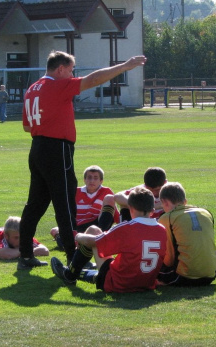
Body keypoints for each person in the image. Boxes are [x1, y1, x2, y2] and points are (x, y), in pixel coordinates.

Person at [18, 51, 146, 270]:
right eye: (70, 70)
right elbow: (93, 80)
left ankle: (25, 255)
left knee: (35, 204)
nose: (72, 74)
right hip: (57, 149)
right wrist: (124, 66)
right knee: (65, 204)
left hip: (37, 147)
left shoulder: (33, 89)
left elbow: (27, 126)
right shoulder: (57, 85)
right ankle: (72, 256)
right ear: (60, 69)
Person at [50, 187, 167, 292]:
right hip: (146, 283)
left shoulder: (126, 228)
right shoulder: (162, 230)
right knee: (109, 265)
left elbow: (95, 242)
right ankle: (75, 273)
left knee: (92, 231)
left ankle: (69, 275)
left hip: (120, 284)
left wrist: (78, 236)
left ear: (130, 208)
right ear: (152, 210)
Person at [156, 182, 216, 286]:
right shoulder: (206, 213)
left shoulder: (167, 218)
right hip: (211, 274)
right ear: (185, 201)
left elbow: (169, 259)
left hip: (185, 276)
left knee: (150, 269)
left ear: (165, 202)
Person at [49, 165, 120, 249]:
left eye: (95, 178)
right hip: (79, 226)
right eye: (89, 177)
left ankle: (99, 237)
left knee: (110, 201)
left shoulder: (106, 191)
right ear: (84, 180)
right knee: (54, 231)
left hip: (97, 224)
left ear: (101, 181)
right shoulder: (76, 192)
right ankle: (74, 240)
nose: (92, 181)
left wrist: (127, 228)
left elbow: (115, 214)